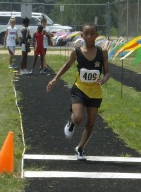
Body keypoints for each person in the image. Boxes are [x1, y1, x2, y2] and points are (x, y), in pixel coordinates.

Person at [47, 23, 111, 161]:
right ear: (82, 35)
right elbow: (67, 65)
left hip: (95, 93)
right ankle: (71, 122)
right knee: (78, 118)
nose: (89, 36)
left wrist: (104, 79)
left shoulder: (102, 53)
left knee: (91, 123)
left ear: (96, 35)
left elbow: (107, 72)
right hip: (79, 90)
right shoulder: (77, 52)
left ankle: (80, 148)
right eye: (86, 34)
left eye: (92, 33)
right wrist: (54, 79)